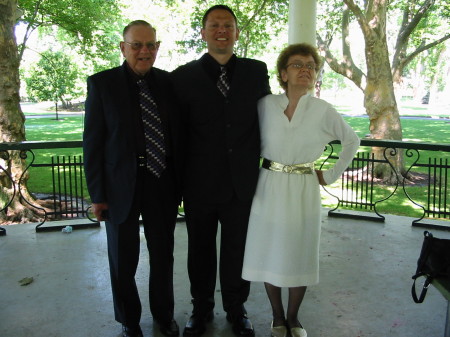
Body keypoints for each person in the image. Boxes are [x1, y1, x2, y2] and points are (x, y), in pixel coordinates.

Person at [241, 43, 360, 337]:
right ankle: (277, 317)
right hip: (268, 184)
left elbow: (352, 141)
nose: (305, 69)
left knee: (300, 250)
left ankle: (294, 318)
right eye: (298, 64)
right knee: (270, 250)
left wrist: (330, 174)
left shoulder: (323, 110)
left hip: (304, 187)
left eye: (311, 66)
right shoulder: (265, 105)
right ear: (283, 73)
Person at [171, 5, 271, 337]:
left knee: (237, 249)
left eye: (228, 25)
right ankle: (201, 310)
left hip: (241, 183)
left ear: (237, 32)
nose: (221, 30)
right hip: (198, 184)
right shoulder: (183, 77)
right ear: (203, 33)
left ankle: (236, 308)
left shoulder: (257, 72)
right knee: (199, 250)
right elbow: (176, 133)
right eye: (214, 25)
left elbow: (268, 120)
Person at [83, 20, 182, 337]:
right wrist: (98, 195)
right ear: (123, 47)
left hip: (162, 182)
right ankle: (129, 321)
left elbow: (179, 136)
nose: (144, 51)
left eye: (151, 45)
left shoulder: (169, 84)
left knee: (163, 255)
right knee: (122, 259)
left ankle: (164, 316)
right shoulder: (102, 85)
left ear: (157, 47)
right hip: (119, 186)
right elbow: (93, 143)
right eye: (137, 45)